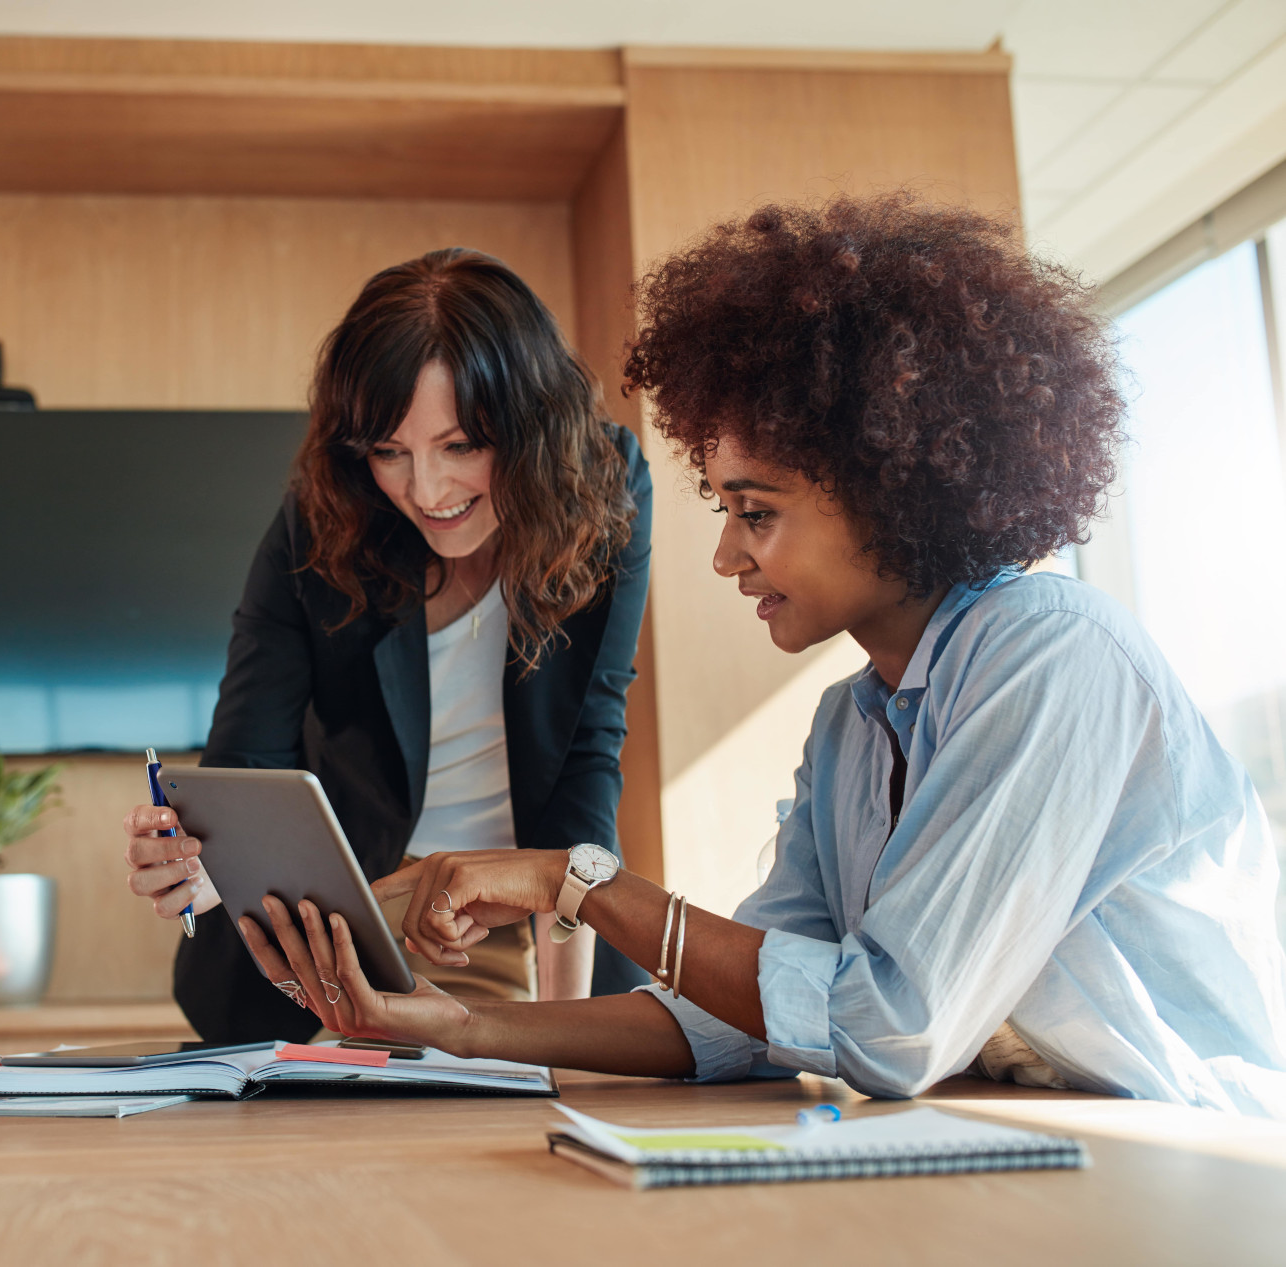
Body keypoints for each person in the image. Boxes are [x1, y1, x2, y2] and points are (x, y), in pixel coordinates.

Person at [240, 194, 1286, 1116]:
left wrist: (580, 880)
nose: (725, 551)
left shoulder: (1052, 657)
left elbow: (888, 1026)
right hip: (1020, 1131)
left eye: (757, 512)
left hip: (1188, 1142)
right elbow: (739, 1021)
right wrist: (457, 1028)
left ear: (889, 486)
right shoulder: (851, 726)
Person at [121, 247, 653, 1043]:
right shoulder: (322, 516)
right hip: (343, 936)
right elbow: (247, 765)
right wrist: (198, 864)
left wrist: (566, 1032)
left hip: (534, 925)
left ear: (533, 425)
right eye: (389, 452)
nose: (427, 492)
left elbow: (587, 755)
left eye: (462, 445)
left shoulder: (603, 489)